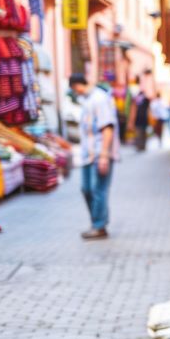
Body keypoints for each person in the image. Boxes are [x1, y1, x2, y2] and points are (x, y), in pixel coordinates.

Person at [72, 73, 119, 240]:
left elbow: (107, 128)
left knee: (98, 189)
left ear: (77, 86)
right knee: (87, 189)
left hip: (100, 153)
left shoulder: (99, 99)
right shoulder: (88, 100)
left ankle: (99, 226)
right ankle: (99, 222)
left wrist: (104, 155)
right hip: (88, 154)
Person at [133, 87, 151, 152]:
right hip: (143, 119)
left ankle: (140, 146)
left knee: (140, 133)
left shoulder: (137, 100)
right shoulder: (144, 100)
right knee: (141, 133)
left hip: (140, 119)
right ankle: (141, 146)